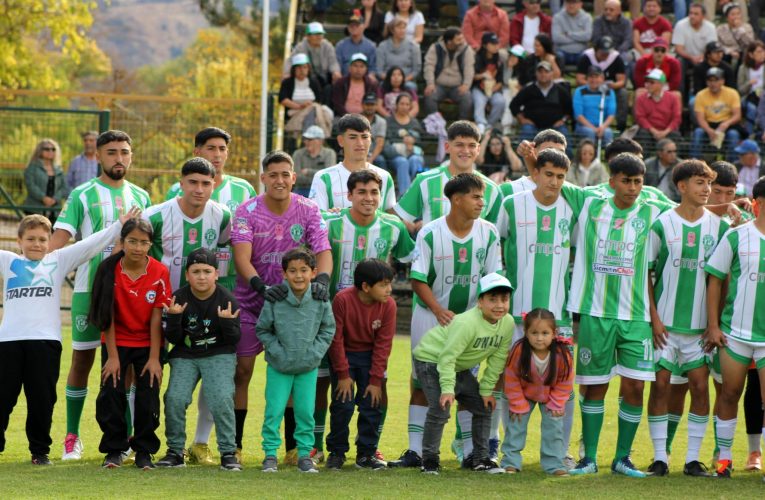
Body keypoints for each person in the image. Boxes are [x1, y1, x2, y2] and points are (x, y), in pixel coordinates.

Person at [0, 207, 137, 465]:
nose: (37, 244)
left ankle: (39, 452)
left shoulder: (57, 260)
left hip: (46, 342)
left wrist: (118, 228)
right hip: (8, 342)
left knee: (42, 399)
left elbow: (90, 245)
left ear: (49, 240)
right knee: (3, 397)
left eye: (42, 239)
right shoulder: (8, 261)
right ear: (19, 241)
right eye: (30, 239)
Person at [388, 173, 502, 470]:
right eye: (476, 196)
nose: (482, 202)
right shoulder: (430, 232)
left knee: (467, 386)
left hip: (470, 322)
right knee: (422, 383)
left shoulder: (488, 233)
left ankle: (469, 454)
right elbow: (417, 278)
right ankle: (415, 452)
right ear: (456, 199)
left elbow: (492, 279)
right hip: (430, 317)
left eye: (482, 196)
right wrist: (438, 309)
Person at [568, 153, 672, 478]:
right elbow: (549, 182)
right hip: (595, 312)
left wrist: (730, 209)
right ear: (611, 180)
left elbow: (690, 213)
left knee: (635, 388)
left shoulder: (654, 211)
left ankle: (622, 459)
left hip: (636, 316)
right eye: (626, 181)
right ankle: (589, 459)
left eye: (638, 181)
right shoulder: (589, 205)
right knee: (595, 386)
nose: (632, 187)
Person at [51, 130, 152, 462]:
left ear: (131, 156)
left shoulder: (142, 196)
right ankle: (72, 436)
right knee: (82, 360)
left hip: (131, 294)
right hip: (88, 289)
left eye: (124, 151)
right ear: (99, 155)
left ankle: (125, 437)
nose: (118, 158)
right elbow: (59, 240)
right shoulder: (82, 194)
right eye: (111, 152)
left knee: (128, 366)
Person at [231, 150, 332, 464]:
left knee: (292, 366)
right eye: (272, 174)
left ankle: (291, 449)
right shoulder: (246, 210)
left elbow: (323, 250)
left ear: (293, 176)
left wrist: (323, 282)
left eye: (284, 174)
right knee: (242, 371)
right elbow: (241, 258)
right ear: (263, 178)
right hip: (251, 303)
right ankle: (233, 445)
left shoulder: (309, 210)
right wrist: (262, 287)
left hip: (294, 307)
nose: (279, 180)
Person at [495, 148, 578, 468]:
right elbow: (494, 242)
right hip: (516, 313)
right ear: (536, 173)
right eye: (549, 175)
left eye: (560, 177)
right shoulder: (512, 205)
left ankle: (561, 452)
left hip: (559, 315)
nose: (554, 182)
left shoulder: (571, 209)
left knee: (564, 384)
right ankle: (499, 450)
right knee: (508, 379)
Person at [645, 159, 728, 478]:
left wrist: (714, 323)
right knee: (661, 386)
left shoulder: (719, 227)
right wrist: (654, 319)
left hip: (699, 330)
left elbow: (720, 281)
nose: (707, 189)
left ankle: (693, 459)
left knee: (699, 387)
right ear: (681, 187)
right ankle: (659, 457)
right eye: (700, 183)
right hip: (664, 326)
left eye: (709, 183)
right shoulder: (662, 225)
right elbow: (646, 276)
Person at [412, 272, 514, 474]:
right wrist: (448, 389)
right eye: (492, 299)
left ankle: (481, 460)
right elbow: (446, 357)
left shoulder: (508, 323)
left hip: (456, 365)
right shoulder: (467, 323)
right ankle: (429, 461)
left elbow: (497, 359)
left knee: (483, 407)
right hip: (430, 359)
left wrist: (486, 391)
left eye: (504, 299)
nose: (499, 305)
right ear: (480, 301)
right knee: (441, 408)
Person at [90, 218, 169, 470]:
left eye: (144, 242)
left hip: (148, 343)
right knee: (111, 392)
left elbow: (157, 318)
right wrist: (112, 356)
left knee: (148, 395)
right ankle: (114, 449)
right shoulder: (108, 269)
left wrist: (155, 358)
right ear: (122, 242)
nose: (137, 247)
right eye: (132, 241)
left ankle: (144, 451)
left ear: (150, 245)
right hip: (116, 340)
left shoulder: (160, 272)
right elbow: (106, 315)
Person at [155, 248, 242, 471]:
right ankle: (175, 451)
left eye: (206, 271)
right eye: (196, 271)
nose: (201, 277)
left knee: (221, 398)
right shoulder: (179, 298)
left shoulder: (227, 299)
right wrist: (174, 318)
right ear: (187, 274)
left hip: (219, 353)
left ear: (216, 274)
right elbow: (173, 338)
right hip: (187, 354)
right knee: (174, 398)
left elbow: (234, 339)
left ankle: (228, 452)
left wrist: (226, 323)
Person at [705, 175, 765, 479]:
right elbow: (715, 278)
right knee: (728, 394)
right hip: (735, 334)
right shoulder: (737, 236)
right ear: (756, 204)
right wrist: (713, 326)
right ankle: (724, 461)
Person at [257, 248, 336, 473]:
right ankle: (270, 455)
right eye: (292, 271)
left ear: (314, 272)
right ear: (284, 273)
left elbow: (328, 328)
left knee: (305, 411)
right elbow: (263, 329)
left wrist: (314, 354)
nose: (298, 275)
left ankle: (304, 455)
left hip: (307, 367)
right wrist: (277, 353)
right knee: (274, 410)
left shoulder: (320, 299)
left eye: (304, 270)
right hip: (279, 366)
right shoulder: (275, 298)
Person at [324, 259, 396, 470]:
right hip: (344, 356)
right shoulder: (342, 300)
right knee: (342, 406)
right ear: (365, 286)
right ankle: (336, 453)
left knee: (372, 405)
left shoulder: (388, 305)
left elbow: (384, 345)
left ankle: (366, 454)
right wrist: (344, 375)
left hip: (370, 357)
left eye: (390, 283)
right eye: (383, 285)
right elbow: (335, 339)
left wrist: (376, 380)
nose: (389, 290)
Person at [393, 121, 504, 230]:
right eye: (459, 145)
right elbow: (397, 220)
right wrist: (413, 247)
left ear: (478, 149)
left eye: (471, 145)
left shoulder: (492, 189)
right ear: (447, 147)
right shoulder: (425, 181)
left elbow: (495, 234)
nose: (466, 150)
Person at [503, 308, 574, 475]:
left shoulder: (562, 353)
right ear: (526, 332)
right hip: (523, 394)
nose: (539, 338)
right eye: (534, 333)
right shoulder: (519, 350)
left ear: (554, 333)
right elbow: (511, 378)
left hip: (551, 396)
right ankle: (510, 461)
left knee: (554, 427)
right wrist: (518, 403)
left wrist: (556, 404)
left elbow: (565, 381)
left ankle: (554, 464)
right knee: (516, 425)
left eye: (545, 333)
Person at [311, 114, 396, 211]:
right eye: (353, 137)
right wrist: (332, 218)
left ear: (370, 140)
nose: (360, 143)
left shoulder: (384, 176)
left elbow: (390, 217)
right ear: (340, 140)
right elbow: (315, 220)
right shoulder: (323, 177)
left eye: (364, 137)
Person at [509, 61, 572, 147]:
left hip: (555, 126)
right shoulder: (528, 89)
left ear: (552, 73)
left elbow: (569, 109)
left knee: (564, 136)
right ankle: (520, 159)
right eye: (540, 72)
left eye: (546, 71)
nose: (543, 74)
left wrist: (563, 120)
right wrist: (522, 119)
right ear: (536, 74)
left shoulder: (560, 90)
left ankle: (569, 159)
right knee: (525, 137)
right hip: (532, 126)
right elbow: (514, 105)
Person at [576, 36, 628, 132]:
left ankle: (621, 126)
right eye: (603, 52)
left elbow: (622, 80)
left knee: (623, 93)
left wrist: (611, 86)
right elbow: (579, 79)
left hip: (609, 90)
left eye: (607, 52)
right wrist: (594, 84)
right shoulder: (587, 57)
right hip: (590, 90)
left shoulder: (615, 58)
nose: (605, 55)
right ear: (596, 50)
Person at [691, 67, 743, 163]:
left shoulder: (732, 93)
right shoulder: (700, 95)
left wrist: (726, 124)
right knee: (698, 132)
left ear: (722, 81)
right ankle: (694, 163)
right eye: (710, 80)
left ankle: (733, 164)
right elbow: (700, 119)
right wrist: (709, 130)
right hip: (708, 124)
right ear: (706, 82)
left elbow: (737, 115)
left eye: (716, 80)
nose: (713, 83)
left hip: (726, 125)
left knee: (734, 135)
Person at [423, 27, 475, 121]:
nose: (462, 41)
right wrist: (430, 83)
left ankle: (462, 123)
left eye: (462, 38)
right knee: (429, 95)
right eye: (458, 39)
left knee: (467, 97)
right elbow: (429, 66)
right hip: (438, 85)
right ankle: (434, 124)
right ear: (449, 42)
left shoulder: (467, 50)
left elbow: (469, 69)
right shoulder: (435, 48)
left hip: (457, 86)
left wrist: (466, 85)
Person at [283, 23, 342, 102]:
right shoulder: (300, 47)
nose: (319, 37)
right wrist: (286, 73)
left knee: (330, 88)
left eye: (321, 34)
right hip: (308, 77)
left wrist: (336, 71)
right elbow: (290, 61)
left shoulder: (327, 46)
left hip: (324, 77)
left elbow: (333, 61)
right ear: (308, 36)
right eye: (316, 34)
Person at [383, 94, 424, 197]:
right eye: (402, 104)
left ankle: (417, 194)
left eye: (407, 104)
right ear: (396, 105)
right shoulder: (388, 121)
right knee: (403, 161)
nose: (404, 106)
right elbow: (385, 144)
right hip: (394, 156)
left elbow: (421, 143)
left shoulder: (414, 123)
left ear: (410, 106)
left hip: (413, 154)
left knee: (415, 159)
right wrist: (402, 148)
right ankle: (405, 196)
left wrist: (412, 145)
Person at [634, 69, 683, 156]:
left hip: (667, 131)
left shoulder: (672, 98)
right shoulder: (641, 98)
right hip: (649, 131)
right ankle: (642, 163)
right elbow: (640, 118)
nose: (648, 85)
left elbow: (677, 118)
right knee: (643, 134)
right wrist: (654, 131)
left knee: (676, 135)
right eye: (647, 82)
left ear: (661, 84)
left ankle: (675, 163)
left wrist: (665, 132)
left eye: (651, 82)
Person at [280, 54, 330, 136]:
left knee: (315, 111)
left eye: (304, 67)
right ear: (294, 69)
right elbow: (283, 99)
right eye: (299, 67)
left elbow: (319, 100)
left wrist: (309, 106)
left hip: (313, 111)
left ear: (308, 69)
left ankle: (307, 137)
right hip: (294, 112)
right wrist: (300, 106)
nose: (302, 70)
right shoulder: (287, 82)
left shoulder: (313, 82)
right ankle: (310, 136)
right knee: (312, 112)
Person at [24, 138, 68, 224]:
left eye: (53, 149)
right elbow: (30, 186)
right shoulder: (32, 167)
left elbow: (64, 188)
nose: (50, 151)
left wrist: (55, 199)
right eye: (47, 149)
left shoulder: (59, 169)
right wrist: (43, 198)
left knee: (52, 235)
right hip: (35, 208)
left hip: (54, 210)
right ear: (40, 151)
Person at [471, 32, 507, 135]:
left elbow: (500, 80)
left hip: (494, 89)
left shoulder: (499, 59)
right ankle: (481, 124)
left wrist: (495, 88)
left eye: (497, 44)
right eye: (493, 44)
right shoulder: (477, 57)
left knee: (500, 101)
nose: (496, 46)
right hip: (479, 88)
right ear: (485, 45)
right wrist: (483, 75)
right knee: (479, 101)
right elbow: (473, 77)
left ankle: (490, 125)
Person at [573, 66, 615, 146]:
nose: (594, 80)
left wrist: (602, 127)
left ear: (602, 78)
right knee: (590, 132)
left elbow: (611, 114)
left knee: (608, 132)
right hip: (584, 126)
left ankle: (610, 157)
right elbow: (579, 115)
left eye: (597, 77)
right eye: (591, 77)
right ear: (587, 78)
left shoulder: (609, 92)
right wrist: (594, 129)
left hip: (602, 126)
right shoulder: (580, 91)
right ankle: (591, 157)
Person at [375, 20, 421, 90]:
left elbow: (416, 70)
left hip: (406, 81)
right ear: (392, 30)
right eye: (399, 28)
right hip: (387, 80)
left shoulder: (413, 47)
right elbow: (379, 70)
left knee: (411, 86)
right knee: (381, 86)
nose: (402, 30)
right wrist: (391, 80)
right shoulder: (382, 46)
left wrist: (402, 80)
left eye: (404, 28)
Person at [292, 126, 337, 198]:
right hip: (302, 190)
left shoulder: (329, 153)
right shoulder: (298, 154)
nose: (306, 142)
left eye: (310, 139)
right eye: (305, 139)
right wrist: (319, 177)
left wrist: (308, 171)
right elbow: (296, 178)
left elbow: (329, 176)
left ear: (320, 141)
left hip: (322, 190)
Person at [672, 3, 718, 70]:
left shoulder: (711, 27)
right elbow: (679, 49)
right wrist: (692, 57)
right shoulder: (680, 25)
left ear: (703, 16)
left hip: (704, 57)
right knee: (679, 61)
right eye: (690, 13)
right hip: (686, 57)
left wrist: (701, 57)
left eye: (696, 14)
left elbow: (711, 48)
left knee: (714, 59)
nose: (692, 16)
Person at [331, 53, 378, 117]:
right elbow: (337, 103)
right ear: (349, 68)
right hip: (343, 117)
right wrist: (348, 117)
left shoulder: (371, 84)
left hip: (366, 117)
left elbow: (374, 103)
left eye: (362, 66)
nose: (358, 69)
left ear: (366, 69)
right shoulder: (341, 83)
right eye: (355, 66)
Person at [336, 11, 377, 80]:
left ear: (363, 26)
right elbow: (337, 66)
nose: (354, 27)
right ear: (348, 28)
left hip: (365, 82)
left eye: (357, 25)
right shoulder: (340, 46)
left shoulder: (371, 46)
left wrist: (371, 76)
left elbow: (372, 67)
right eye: (351, 25)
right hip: (345, 81)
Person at [552, 0, 592, 66]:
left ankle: (581, 76)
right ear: (564, 3)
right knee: (558, 56)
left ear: (580, 4)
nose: (571, 5)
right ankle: (558, 76)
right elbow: (556, 38)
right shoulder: (557, 17)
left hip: (580, 52)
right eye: (568, 2)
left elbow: (587, 37)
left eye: (574, 2)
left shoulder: (587, 17)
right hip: (562, 52)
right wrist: (579, 37)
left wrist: (568, 34)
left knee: (586, 57)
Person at [738, 41, 765, 135]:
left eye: (763, 51)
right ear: (751, 54)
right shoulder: (743, 68)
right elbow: (740, 90)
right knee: (752, 108)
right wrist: (749, 83)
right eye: (759, 51)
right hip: (749, 97)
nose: (762, 54)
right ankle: (749, 135)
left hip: (763, 97)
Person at [361, 93, 387, 169]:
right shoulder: (356, 120)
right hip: (358, 152)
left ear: (376, 106)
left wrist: (371, 159)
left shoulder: (381, 121)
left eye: (372, 105)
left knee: (380, 160)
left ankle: (382, 180)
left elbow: (380, 144)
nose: (369, 107)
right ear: (362, 105)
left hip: (374, 154)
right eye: (367, 104)